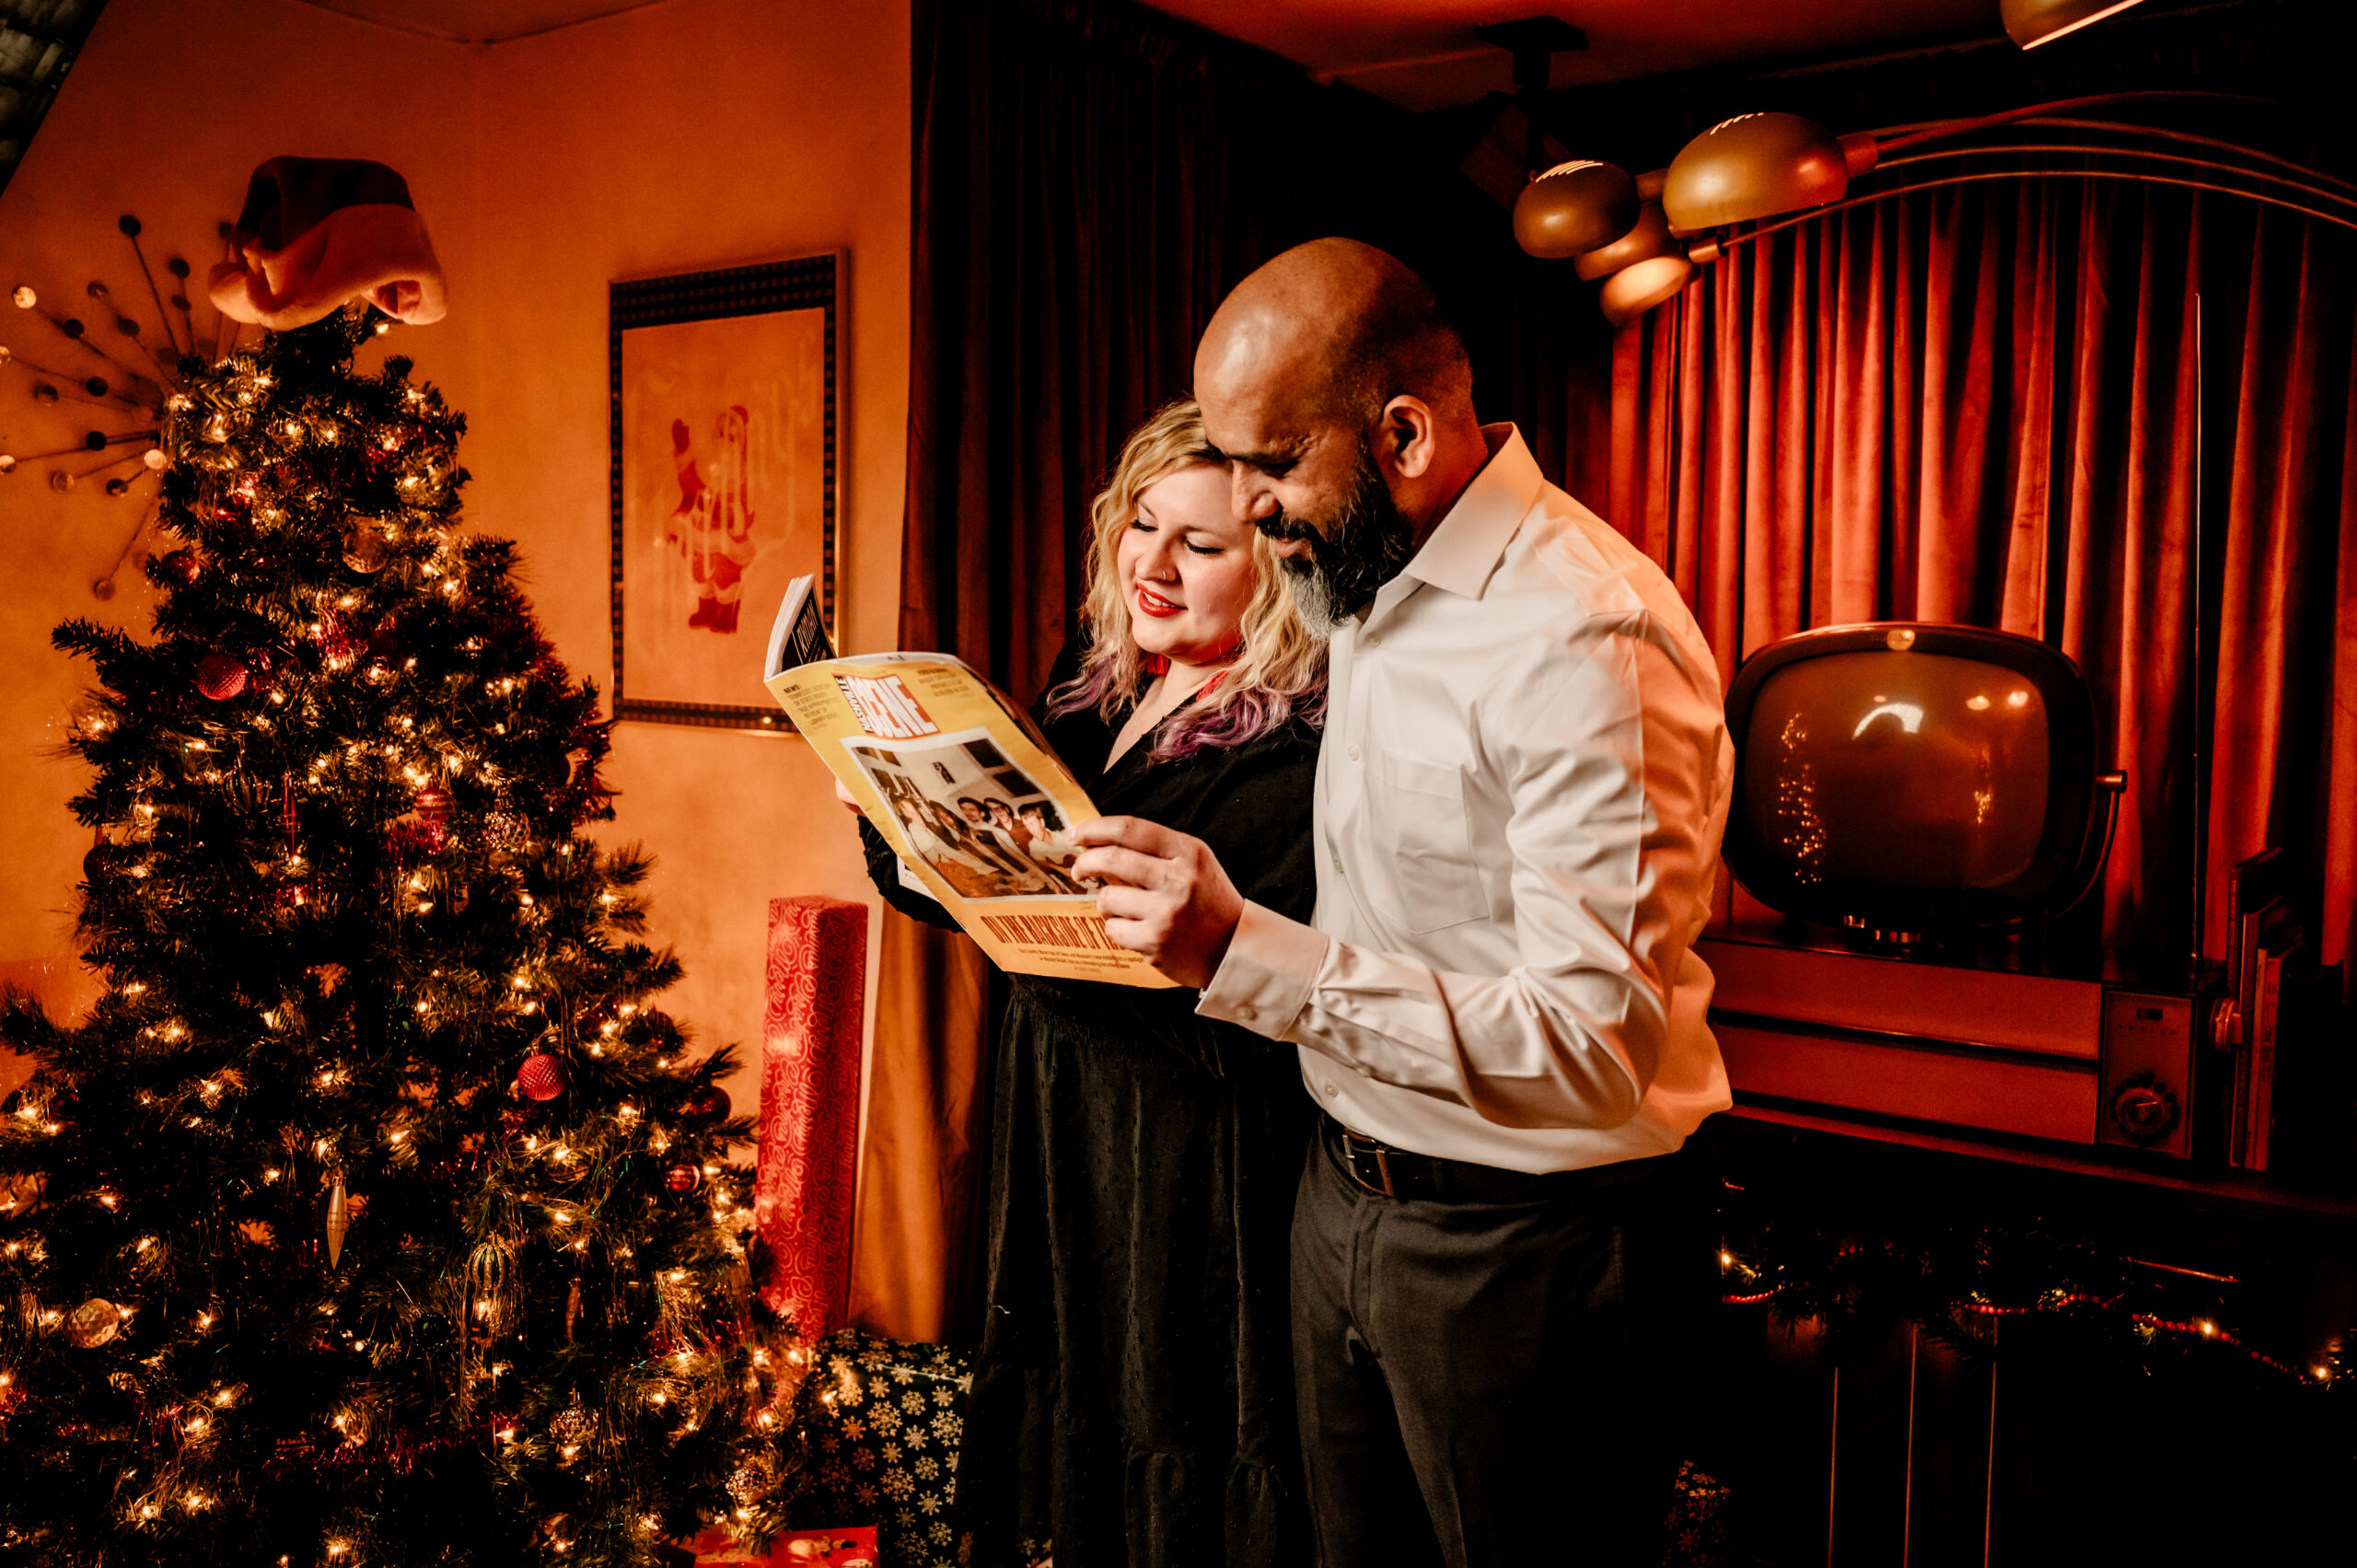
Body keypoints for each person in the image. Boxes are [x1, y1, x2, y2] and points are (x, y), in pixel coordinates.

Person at [1071, 239, 1735, 1567]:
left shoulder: (1583, 633)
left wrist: (1240, 948)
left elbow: (1591, 1041)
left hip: (1530, 1247)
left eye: (1271, 461)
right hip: (1343, 1195)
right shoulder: (1361, 581)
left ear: (1407, 432)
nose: (1247, 505)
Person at [839, 399, 1330, 1566]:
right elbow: (1002, 901)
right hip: (1058, 1114)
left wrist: (1044, 925)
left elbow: (1255, 1022)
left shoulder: (1306, 744)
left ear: (1274, 565)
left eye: (1199, 545)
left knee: (1178, 1443)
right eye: (1140, 523)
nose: (1150, 564)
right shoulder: (1098, 680)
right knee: (1070, 1432)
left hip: (1189, 1159)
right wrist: (897, 813)